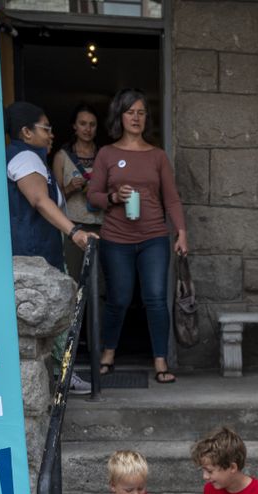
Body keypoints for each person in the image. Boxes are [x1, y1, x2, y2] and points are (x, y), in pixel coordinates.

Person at [87, 88, 188, 384]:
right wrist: (114, 197)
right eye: (130, 112)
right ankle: (108, 353)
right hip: (116, 238)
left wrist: (181, 232)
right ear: (120, 115)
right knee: (118, 299)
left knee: (156, 299)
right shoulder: (107, 153)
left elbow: (171, 199)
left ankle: (160, 360)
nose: (136, 117)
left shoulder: (157, 156)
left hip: (154, 237)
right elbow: (93, 196)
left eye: (141, 112)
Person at [5, 101, 94, 394]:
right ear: (26, 132)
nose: (51, 133)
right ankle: (62, 374)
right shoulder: (26, 159)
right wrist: (75, 231)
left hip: (40, 250)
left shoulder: (31, 158)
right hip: (35, 253)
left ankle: (60, 374)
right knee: (55, 316)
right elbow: (40, 201)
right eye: (45, 128)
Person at [53, 101, 103, 280]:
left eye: (92, 124)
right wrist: (70, 188)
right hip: (73, 226)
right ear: (74, 126)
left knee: (102, 283)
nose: (87, 129)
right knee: (74, 279)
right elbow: (54, 199)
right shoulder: (62, 157)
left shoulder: (104, 155)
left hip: (103, 225)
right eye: (83, 124)